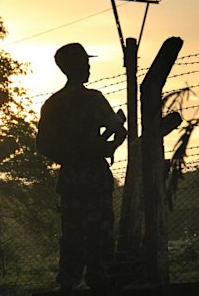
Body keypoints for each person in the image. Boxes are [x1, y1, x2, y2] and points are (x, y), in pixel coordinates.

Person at [36, 43, 127, 296]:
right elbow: (120, 132)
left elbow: (42, 146)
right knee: (101, 232)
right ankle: (100, 279)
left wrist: (70, 155)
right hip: (95, 177)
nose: (89, 67)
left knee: (73, 233)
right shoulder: (93, 99)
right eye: (85, 64)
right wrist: (105, 148)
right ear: (76, 67)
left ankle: (68, 281)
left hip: (71, 178)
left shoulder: (53, 104)